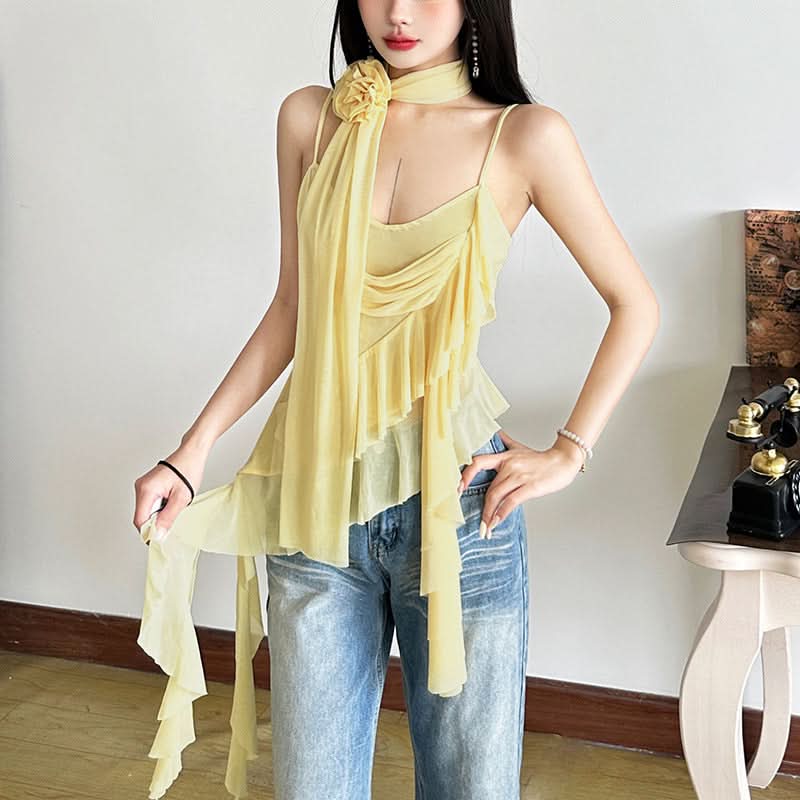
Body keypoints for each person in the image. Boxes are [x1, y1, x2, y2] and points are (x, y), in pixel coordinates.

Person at [132, 2, 660, 799]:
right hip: (315, 504)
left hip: (462, 509)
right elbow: (294, 308)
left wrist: (569, 451)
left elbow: (635, 304)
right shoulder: (313, 118)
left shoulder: (525, 136)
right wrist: (191, 452)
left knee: (468, 788)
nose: (399, 12)